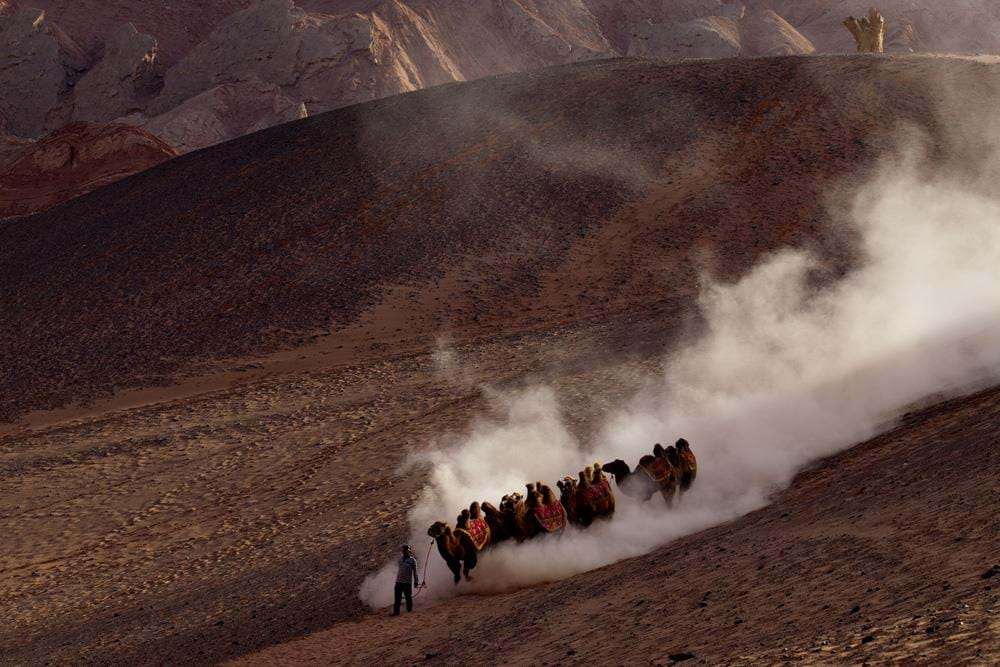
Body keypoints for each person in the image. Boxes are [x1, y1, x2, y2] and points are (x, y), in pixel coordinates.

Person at [393, 544, 420, 615]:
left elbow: (415, 572)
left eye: (406, 550)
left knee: (408, 598)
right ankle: (396, 612)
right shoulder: (400, 559)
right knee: (397, 598)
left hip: (407, 583)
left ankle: (409, 612)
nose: (405, 551)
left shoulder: (413, 560)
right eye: (404, 550)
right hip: (398, 582)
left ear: (409, 551)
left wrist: (416, 581)